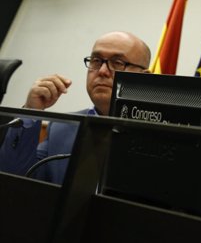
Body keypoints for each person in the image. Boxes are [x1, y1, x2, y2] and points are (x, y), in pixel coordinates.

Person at [0, 31, 150, 184]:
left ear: (145, 77)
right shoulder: (62, 127)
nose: (102, 71)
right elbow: (15, 178)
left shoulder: (159, 135)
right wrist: (31, 113)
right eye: (96, 60)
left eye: (118, 62)